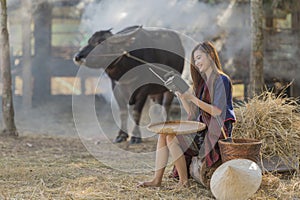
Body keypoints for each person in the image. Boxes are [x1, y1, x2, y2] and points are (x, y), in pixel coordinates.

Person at [137, 41, 236, 188]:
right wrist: (182, 97)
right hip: (203, 128)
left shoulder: (222, 79)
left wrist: (193, 99)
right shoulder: (202, 83)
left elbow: (217, 111)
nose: (196, 63)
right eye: (195, 60)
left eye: (199, 58)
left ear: (210, 56)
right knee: (164, 134)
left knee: (172, 138)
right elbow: (192, 112)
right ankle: (156, 180)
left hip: (216, 132)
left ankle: (183, 183)